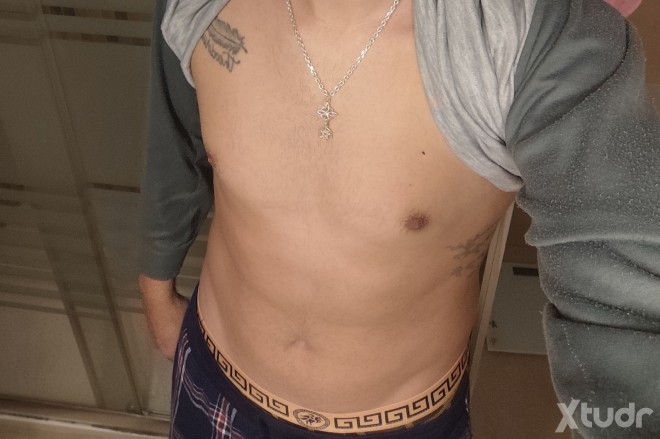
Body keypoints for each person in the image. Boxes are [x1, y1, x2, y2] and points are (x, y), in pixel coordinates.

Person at [138, 0, 659, 437]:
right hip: (214, 380)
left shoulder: (537, 35)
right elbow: (175, 142)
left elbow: (629, 303)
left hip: (399, 422)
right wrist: (156, 291)